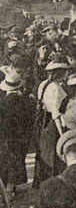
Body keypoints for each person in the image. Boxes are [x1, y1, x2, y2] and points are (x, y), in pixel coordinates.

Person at [0, 69, 35, 198]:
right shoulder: (27, 101)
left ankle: (7, 193)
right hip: (22, 138)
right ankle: (16, 190)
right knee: (19, 162)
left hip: (6, 139)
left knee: (6, 164)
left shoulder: (3, 103)